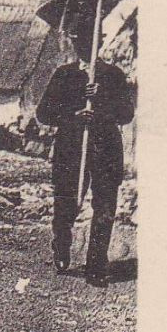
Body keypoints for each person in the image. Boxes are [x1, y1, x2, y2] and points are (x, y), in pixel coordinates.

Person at [36, 46, 136, 287]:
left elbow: (126, 114)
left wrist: (103, 100)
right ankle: (61, 246)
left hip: (106, 151)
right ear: (74, 41)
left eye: (90, 36)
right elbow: (44, 114)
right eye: (80, 37)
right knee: (65, 205)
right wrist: (74, 114)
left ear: (98, 40)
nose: (85, 43)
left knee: (104, 207)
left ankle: (96, 264)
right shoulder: (64, 74)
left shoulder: (113, 75)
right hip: (71, 150)